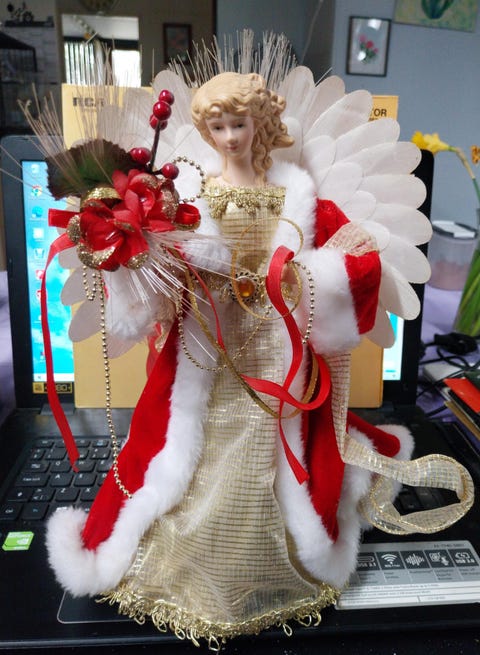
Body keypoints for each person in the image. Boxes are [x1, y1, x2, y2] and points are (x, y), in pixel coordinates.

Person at [45, 71, 459, 647]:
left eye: (238, 124)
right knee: (181, 448)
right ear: (204, 132)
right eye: (217, 127)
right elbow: (159, 289)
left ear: (259, 124)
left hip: (277, 354)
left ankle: (273, 558)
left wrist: (304, 277)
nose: (229, 137)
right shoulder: (188, 204)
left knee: (276, 452)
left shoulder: (302, 201)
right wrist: (139, 259)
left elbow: (358, 262)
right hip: (207, 351)